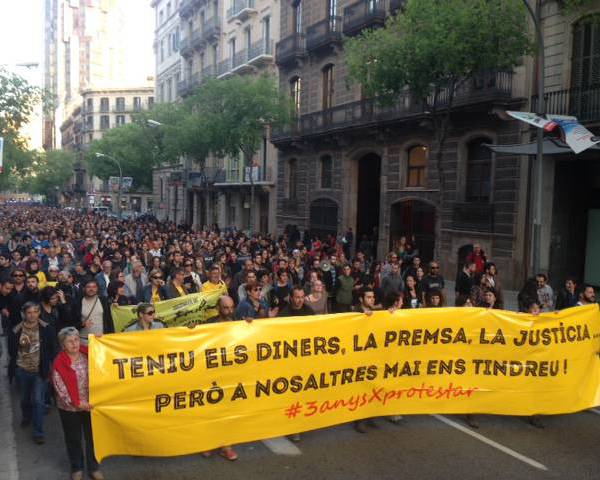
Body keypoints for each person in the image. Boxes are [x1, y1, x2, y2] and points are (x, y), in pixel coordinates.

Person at [52, 327, 103, 480]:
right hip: (69, 408)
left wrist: (103, 342)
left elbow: (105, 361)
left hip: (91, 405)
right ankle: (77, 467)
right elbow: (60, 388)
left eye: (76, 340)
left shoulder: (89, 353)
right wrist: (78, 403)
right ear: (62, 345)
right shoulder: (59, 363)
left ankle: (94, 467)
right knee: (73, 439)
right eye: (69, 341)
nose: (74, 344)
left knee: (92, 438)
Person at [8, 302, 57, 443]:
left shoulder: (46, 328)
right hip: (22, 370)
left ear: (39, 313)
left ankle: (38, 432)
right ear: (24, 314)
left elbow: (52, 349)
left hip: (39, 371)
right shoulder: (16, 330)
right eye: (29, 312)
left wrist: (50, 366)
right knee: (24, 399)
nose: (32, 315)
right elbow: (12, 351)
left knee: (38, 400)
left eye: (35, 312)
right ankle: (26, 416)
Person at [200, 296, 239, 461]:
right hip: (212, 374)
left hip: (231, 374)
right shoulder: (208, 325)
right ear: (218, 308)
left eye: (231, 307)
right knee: (212, 409)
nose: (229, 311)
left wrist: (251, 326)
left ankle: (225, 445)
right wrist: (192, 330)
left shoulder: (238, 323)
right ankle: (211, 442)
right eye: (225, 308)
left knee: (226, 410)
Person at [73, 280, 114, 346]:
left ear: (97, 288)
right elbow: (72, 322)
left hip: (101, 339)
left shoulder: (103, 300)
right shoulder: (78, 302)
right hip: (84, 340)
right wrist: (81, 324)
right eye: (88, 287)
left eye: (94, 287)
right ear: (84, 288)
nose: (91, 289)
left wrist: (111, 337)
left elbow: (109, 320)